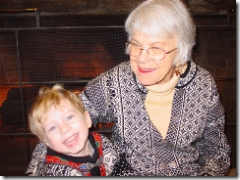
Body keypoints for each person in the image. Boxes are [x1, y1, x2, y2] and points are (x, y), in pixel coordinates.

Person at [26, 0, 231, 176]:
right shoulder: (116, 81)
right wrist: (35, 171)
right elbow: (59, 121)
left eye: (156, 48)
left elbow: (216, 150)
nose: (141, 58)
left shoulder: (203, 85)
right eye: (136, 45)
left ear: (182, 49)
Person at [25, 84, 118, 176]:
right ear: (47, 143)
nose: (64, 128)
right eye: (52, 127)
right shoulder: (57, 172)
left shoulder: (104, 144)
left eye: (69, 117)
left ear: (86, 119)